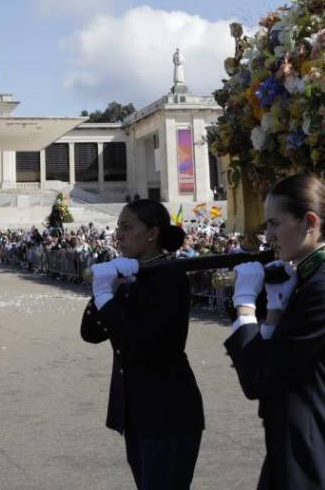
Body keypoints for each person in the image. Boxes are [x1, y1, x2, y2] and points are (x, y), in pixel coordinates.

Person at [225, 174, 325, 489]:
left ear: (309, 221)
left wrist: (245, 308)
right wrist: (275, 312)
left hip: (318, 459)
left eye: (275, 224)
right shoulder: (309, 279)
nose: (269, 236)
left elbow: (258, 378)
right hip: (296, 449)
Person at [79, 199, 204, 489]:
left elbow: (140, 342)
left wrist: (106, 299)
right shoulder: (133, 273)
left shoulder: (168, 276)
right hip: (138, 410)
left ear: (151, 233)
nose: (118, 234)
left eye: (127, 226)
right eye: (118, 227)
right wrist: (105, 291)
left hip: (167, 409)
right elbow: (91, 334)